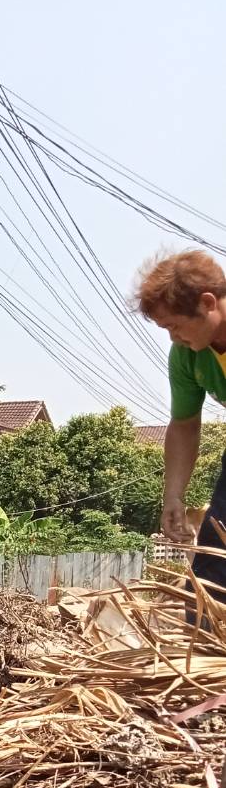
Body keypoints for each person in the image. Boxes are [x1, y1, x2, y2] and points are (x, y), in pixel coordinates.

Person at [135, 248, 226, 594]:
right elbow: (185, 424)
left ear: (207, 303)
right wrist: (173, 495)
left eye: (174, 326)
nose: (173, 338)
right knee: (213, 566)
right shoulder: (188, 355)